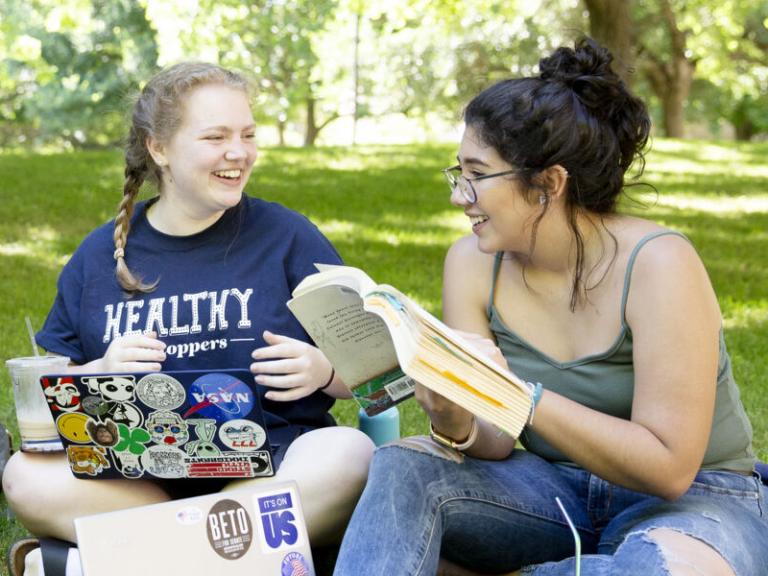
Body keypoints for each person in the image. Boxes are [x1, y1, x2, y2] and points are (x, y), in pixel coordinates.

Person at [333, 38, 768, 576]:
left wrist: (517, 396)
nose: (458, 195)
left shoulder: (659, 264)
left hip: (699, 500)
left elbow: (669, 469)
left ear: (548, 184)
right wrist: (453, 411)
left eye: (476, 174)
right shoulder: (471, 263)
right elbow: (491, 443)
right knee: (405, 465)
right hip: (550, 488)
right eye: (458, 173)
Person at [2, 62, 374, 575]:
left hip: (273, 470)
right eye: (215, 136)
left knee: (349, 452)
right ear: (159, 148)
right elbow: (46, 415)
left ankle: (117, 561)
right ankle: (229, 557)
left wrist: (325, 372)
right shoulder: (97, 258)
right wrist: (100, 374)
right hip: (135, 485)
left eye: (247, 135)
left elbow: (384, 379)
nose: (238, 153)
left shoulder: (288, 238)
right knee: (25, 476)